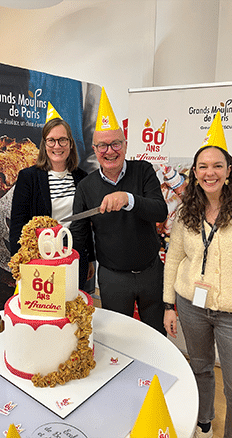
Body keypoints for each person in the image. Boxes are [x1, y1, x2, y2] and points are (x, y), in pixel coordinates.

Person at [162, 118, 232, 438]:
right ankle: (204, 422)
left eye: (217, 166)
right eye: (203, 166)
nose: (210, 172)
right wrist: (170, 304)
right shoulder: (188, 209)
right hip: (191, 304)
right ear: (194, 172)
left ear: (228, 170)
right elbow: (175, 258)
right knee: (200, 368)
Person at [70, 88, 168, 335]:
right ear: (94, 149)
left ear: (125, 145)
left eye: (115, 144)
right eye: (102, 146)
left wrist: (128, 199)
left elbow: (160, 211)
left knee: (156, 336)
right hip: (113, 279)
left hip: (151, 272)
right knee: (119, 340)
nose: (110, 151)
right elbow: (79, 235)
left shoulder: (143, 171)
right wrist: (77, 280)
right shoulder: (86, 186)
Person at [10, 114, 90, 287]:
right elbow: (18, 223)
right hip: (40, 260)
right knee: (44, 310)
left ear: (70, 143)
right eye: (51, 140)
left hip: (74, 257)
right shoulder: (28, 177)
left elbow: (85, 222)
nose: (57, 146)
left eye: (62, 140)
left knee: (70, 308)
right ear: (44, 144)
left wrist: (90, 258)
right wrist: (19, 261)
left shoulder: (82, 178)